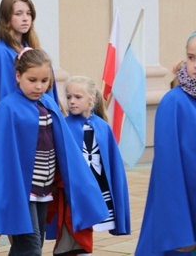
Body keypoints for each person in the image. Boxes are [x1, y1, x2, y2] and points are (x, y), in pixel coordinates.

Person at [0, 48, 108, 255]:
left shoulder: (48, 103)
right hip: (21, 192)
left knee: (32, 244)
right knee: (30, 246)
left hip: (44, 189)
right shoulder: (8, 108)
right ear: (18, 76)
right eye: (32, 80)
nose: (39, 86)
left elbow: (64, 147)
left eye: (44, 80)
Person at [0, 0, 58, 255]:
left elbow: (49, 99)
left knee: (31, 233)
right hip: (15, 143)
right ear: (6, 18)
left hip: (40, 152)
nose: (25, 19)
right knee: (25, 233)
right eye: (18, 13)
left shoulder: (37, 53)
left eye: (28, 13)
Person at [52, 76, 130, 254]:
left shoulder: (102, 127)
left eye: (77, 97)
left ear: (92, 99)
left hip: (97, 188)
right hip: (73, 191)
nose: (71, 101)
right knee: (73, 231)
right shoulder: (64, 126)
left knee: (86, 229)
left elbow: (113, 166)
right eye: (69, 96)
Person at [135, 33, 196, 255]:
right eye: (191, 57)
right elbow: (168, 170)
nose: (195, 65)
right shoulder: (174, 102)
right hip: (185, 215)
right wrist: (178, 228)